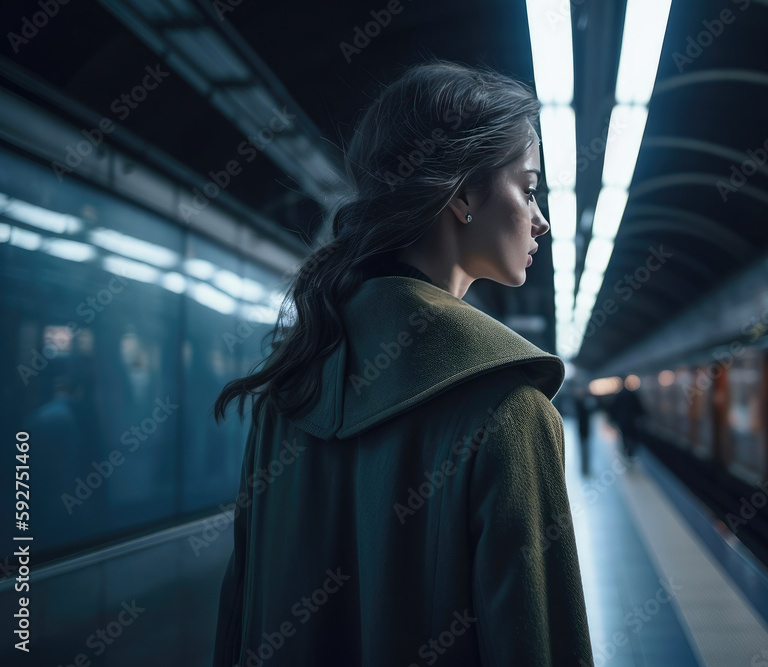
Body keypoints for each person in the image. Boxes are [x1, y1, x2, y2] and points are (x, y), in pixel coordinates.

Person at [211, 61, 593, 666]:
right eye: (529, 187)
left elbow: (238, 619)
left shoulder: (288, 391)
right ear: (464, 193)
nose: (539, 218)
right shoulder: (508, 412)